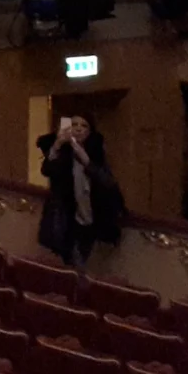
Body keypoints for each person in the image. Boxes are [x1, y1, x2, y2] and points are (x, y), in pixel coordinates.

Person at [36, 113, 124, 269]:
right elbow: (47, 170)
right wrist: (57, 144)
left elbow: (108, 183)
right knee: (75, 266)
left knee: (80, 262)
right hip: (68, 219)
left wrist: (87, 161)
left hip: (90, 220)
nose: (78, 129)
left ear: (90, 132)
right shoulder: (63, 153)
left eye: (84, 126)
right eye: (74, 125)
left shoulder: (95, 154)